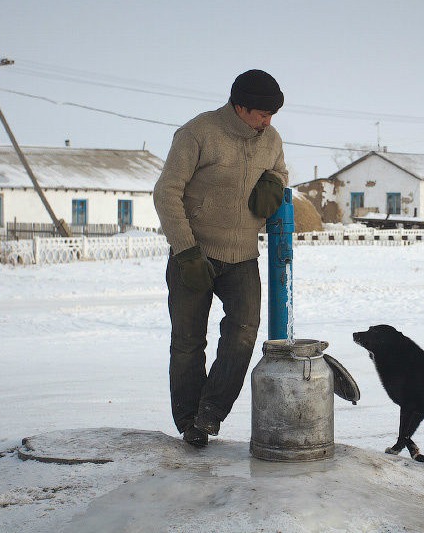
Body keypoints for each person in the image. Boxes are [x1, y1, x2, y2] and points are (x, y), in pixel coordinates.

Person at [153, 69, 287, 447]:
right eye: (262, 113)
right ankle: (188, 420)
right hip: (192, 254)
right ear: (240, 106)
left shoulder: (271, 139)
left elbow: (279, 168)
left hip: (242, 255)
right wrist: (186, 251)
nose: (268, 121)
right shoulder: (197, 133)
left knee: (243, 334)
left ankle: (210, 413)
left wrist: (274, 183)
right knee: (188, 341)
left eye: (273, 114)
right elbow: (166, 193)